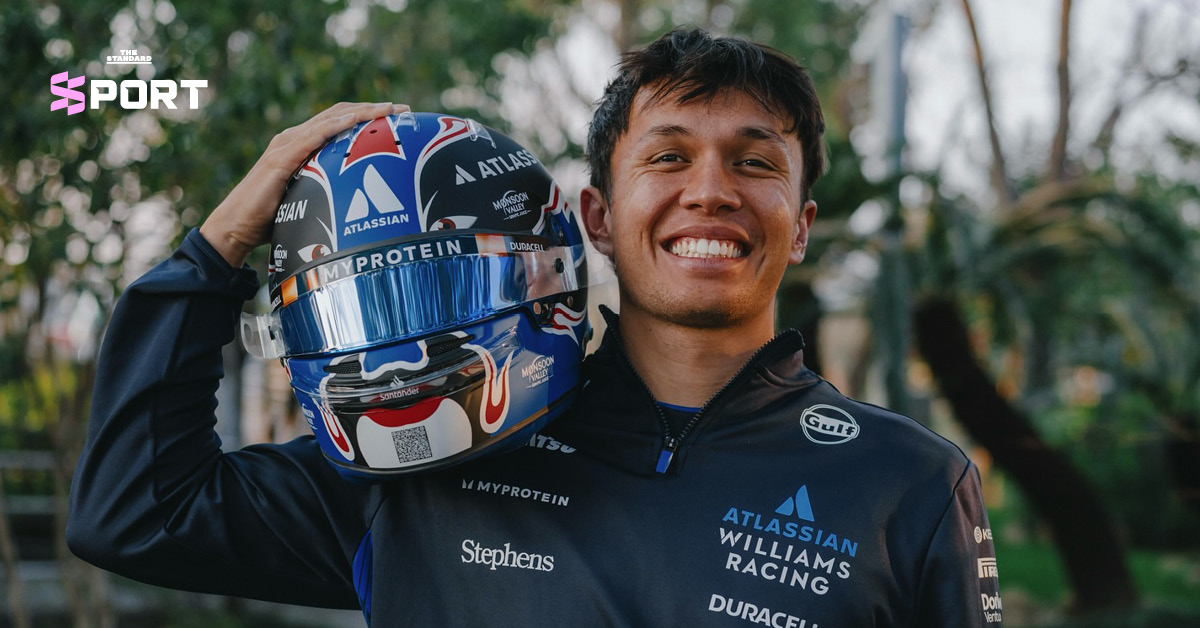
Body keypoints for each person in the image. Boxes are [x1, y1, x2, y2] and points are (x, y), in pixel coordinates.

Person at [68, 28, 1004, 627]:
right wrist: (220, 247)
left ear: (799, 225)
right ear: (595, 217)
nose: (710, 190)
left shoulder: (910, 486)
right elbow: (133, 515)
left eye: (755, 163)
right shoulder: (440, 447)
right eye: (669, 155)